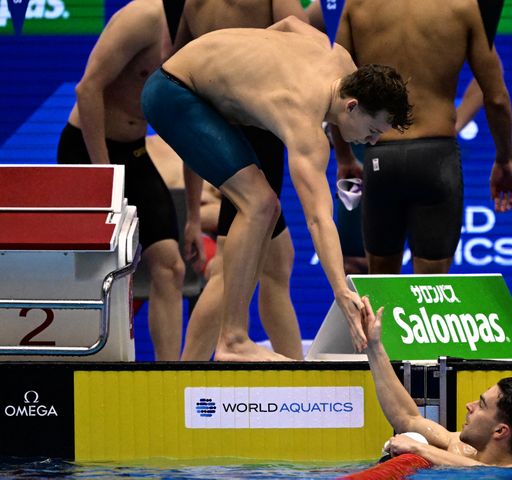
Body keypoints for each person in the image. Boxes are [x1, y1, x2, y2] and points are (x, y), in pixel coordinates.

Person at [141, 16, 413, 360]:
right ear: (352, 105)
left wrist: (247, 67)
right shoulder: (303, 120)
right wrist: (342, 290)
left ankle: (229, 343)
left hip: (191, 84)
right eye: (373, 130)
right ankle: (233, 341)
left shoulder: (339, 58)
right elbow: (318, 219)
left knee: (268, 222)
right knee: (259, 204)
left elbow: (287, 23)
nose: (371, 141)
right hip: (173, 94)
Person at [332, 0, 512, 275]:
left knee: (382, 289)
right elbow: (497, 97)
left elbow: (336, 91)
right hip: (436, 156)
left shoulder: (357, 6)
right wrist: (504, 159)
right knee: (434, 291)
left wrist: (345, 157)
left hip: (381, 157)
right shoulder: (463, 7)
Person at [171, 0, 310, 362]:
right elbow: (301, 40)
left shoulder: (192, 3)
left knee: (278, 261)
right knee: (229, 267)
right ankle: (186, 374)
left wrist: (191, 213)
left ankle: (296, 374)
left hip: (215, 125)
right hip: (256, 123)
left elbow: (178, 73)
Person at [57, 0, 186, 361]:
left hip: (135, 151)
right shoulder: (142, 17)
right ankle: (88, 360)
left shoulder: (199, 25)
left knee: (170, 266)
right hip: (89, 149)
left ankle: (169, 373)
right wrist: (103, 177)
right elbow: (87, 89)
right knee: (94, 270)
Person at [360, 296, 512, 466]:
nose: (469, 405)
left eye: (481, 405)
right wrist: (373, 346)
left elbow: (487, 472)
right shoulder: (459, 448)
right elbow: (407, 418)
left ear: (500, 431)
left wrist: (419, 448)